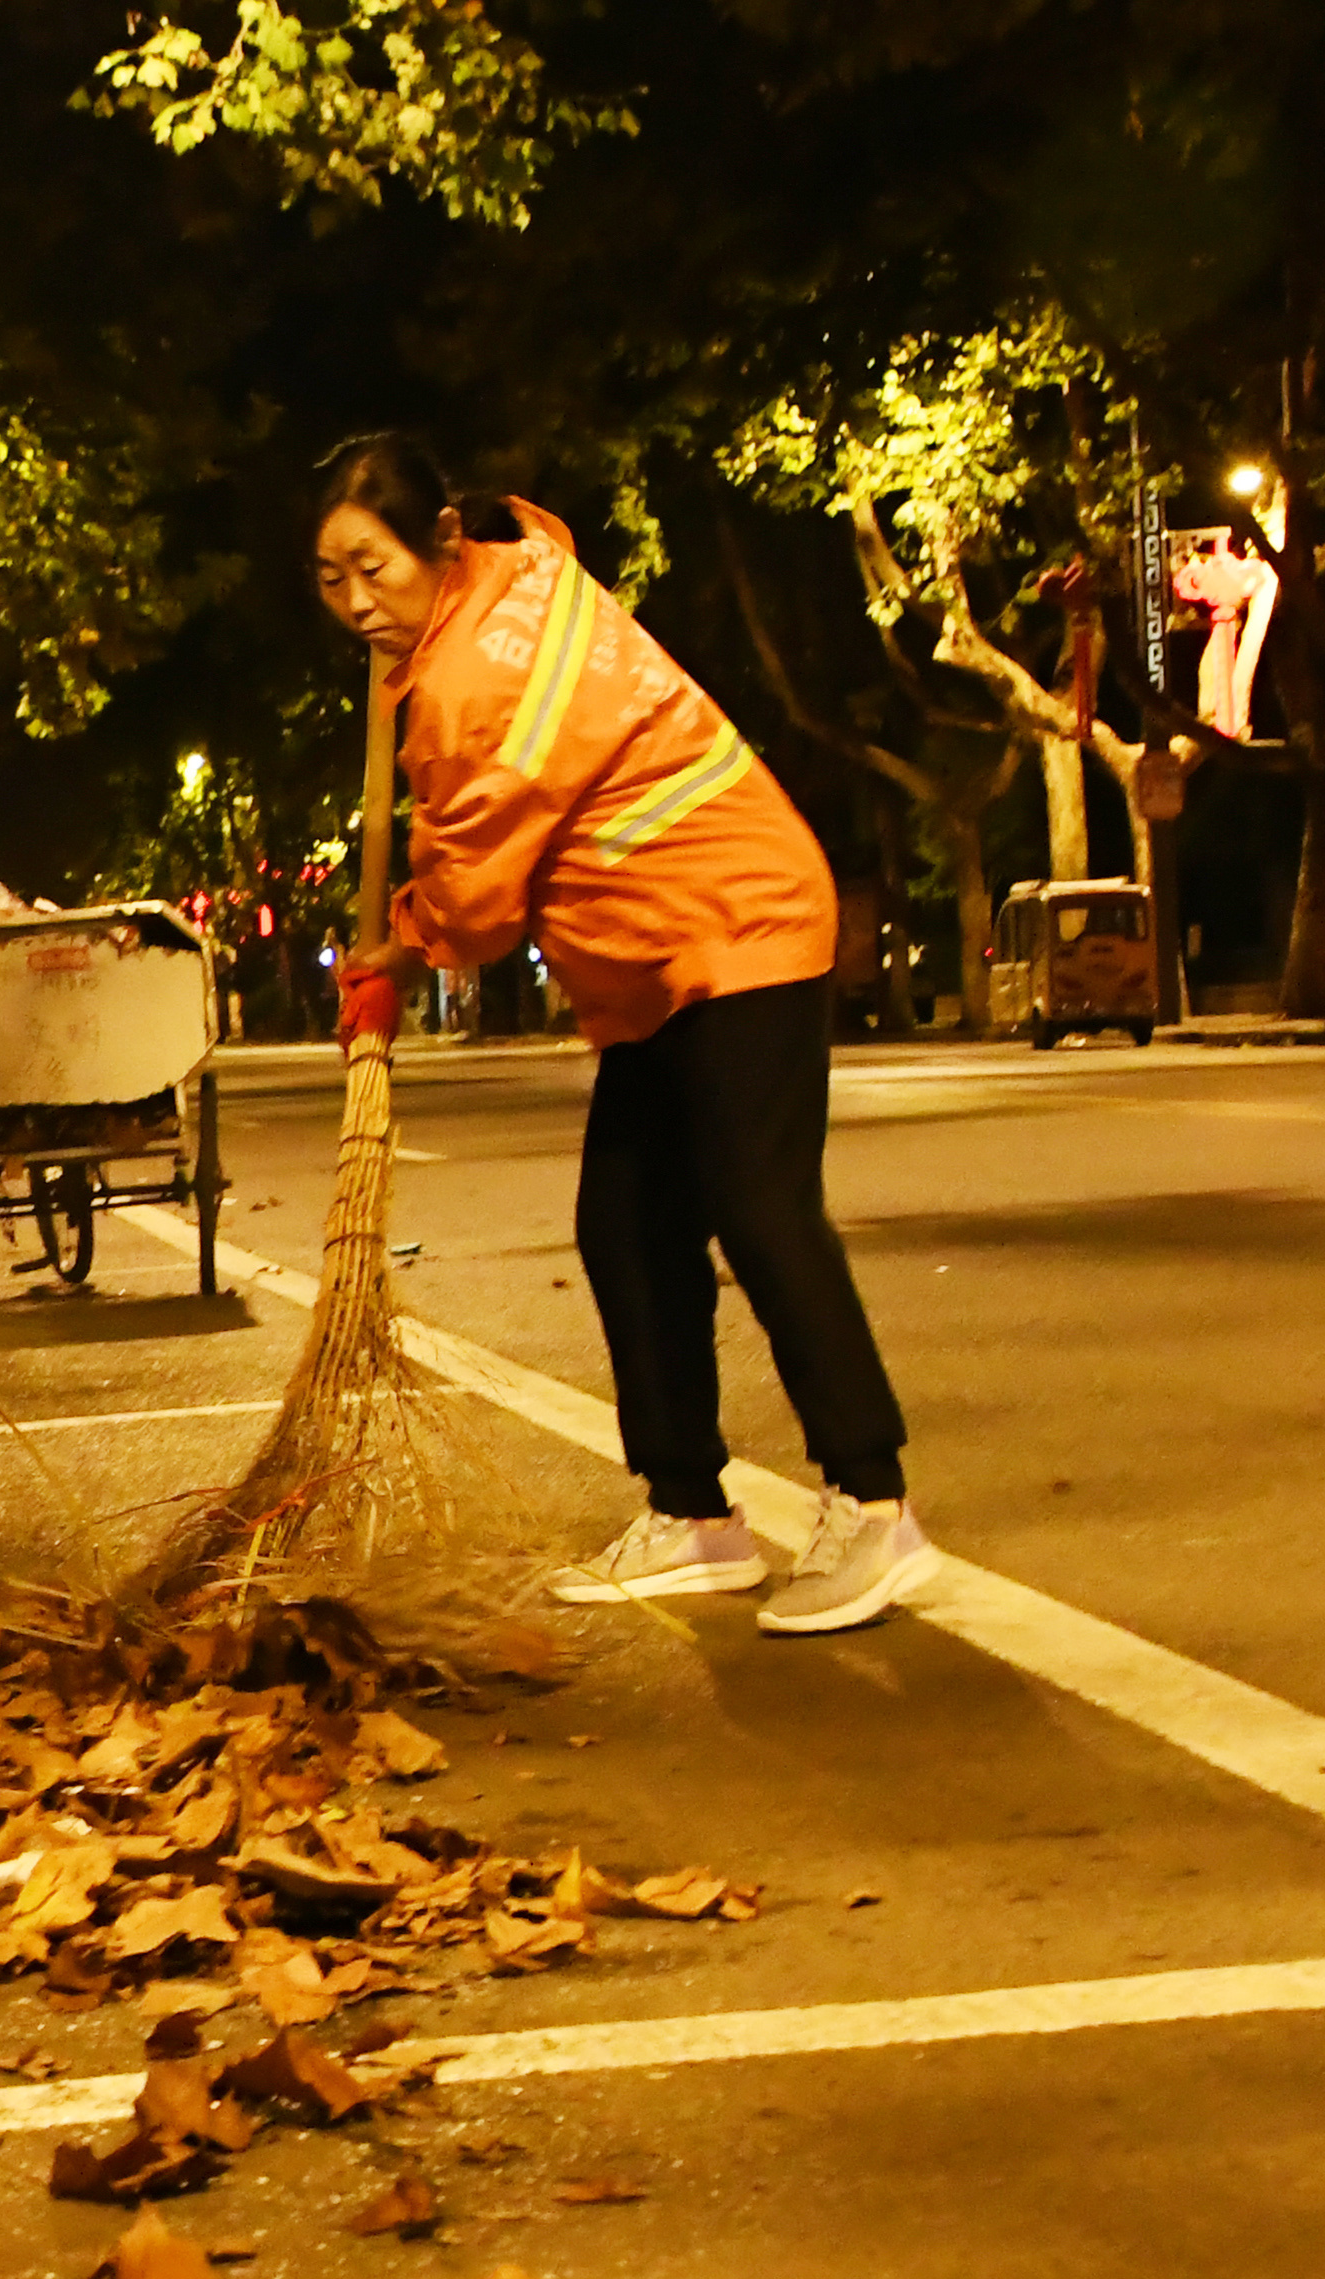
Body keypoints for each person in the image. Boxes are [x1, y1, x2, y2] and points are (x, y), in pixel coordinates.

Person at [314, 432, 929, 1635]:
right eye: (331, 577)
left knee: (760, 1208)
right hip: (656, 960)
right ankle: (695, 1514)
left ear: (438, 540)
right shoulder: (511, 573)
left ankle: (873, 1502)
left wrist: (404, 936)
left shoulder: (473, 677)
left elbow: (479, 902)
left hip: (733, 921)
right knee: (627, 1222)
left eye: (373, 568)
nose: (354, 601)